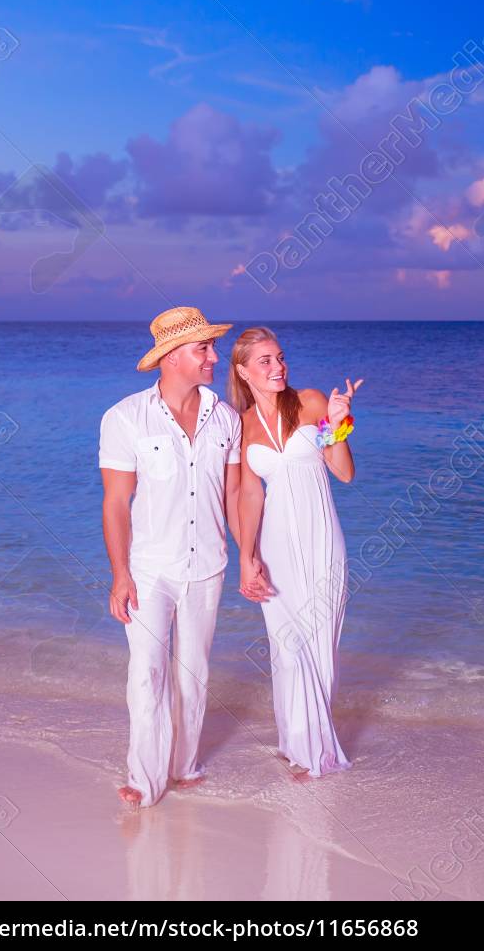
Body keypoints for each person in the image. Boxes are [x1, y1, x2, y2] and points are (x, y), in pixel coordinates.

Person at [98, 306, 256, 807]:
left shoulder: (225, 418)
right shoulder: (125, 418)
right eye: (203, 348)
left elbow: (232, 496)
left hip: (209, 566)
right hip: (149, 569)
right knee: (146, 673)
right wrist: (120, 574)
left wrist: (249, 556)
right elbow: (116, 503)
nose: (214, 357)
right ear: (171, 357)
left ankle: (185, 765)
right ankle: (144, 780)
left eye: (211, 347)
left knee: (194, 672)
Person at [229, 326, 363, 778]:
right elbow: (250, 497)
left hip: (324, 535)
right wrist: (247, 558)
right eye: (265, 360)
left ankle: (315, 747)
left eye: (280, 357)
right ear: (243, 371)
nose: (277, 366)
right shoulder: (240, 425)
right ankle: (298, 746)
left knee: (322, 639)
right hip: (276, 542)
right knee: (287, 647)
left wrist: (339, 423)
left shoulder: (311, 402)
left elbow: (343, 473)